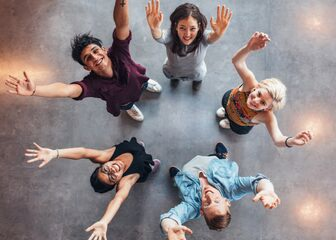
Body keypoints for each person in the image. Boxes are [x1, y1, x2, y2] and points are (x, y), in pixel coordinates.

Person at [5, 0, 162, 122]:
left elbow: (122, 24)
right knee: (125, 105)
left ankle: (146, 84)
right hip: (122, 100)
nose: (95, 57)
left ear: (105, 50)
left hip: (137, 81)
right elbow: (67, 90)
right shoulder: (91, 84)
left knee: (142, 82)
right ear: (87, 67)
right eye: (88, 58)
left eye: (95, 51)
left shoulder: (119, 51)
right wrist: (34, 91)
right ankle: (129, 107)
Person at [25, 137, 161, 240]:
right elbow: (118, 199)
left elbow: (83, 152)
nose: (112, 170)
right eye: (112, 177)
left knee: (137, 147)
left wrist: (55, 153)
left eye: (106, 170)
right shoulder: (126, 181)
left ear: (103, 163)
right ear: (118, 182)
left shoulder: (105, 156)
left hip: (131, 148)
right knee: (147, 167)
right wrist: (104, 221)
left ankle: (139, 148)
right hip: (141, 165)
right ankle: (151, 166)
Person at [160, 143, 280, 240]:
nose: (209, 196)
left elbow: (172, 217)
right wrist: (267, 189)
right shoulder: (232, 188)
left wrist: (171, 227)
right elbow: (256, 182)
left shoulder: (192, 206)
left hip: (189, 173)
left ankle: (178, 176)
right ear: (226, 201)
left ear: (201, 210)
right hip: (213, 163)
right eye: (217, 201)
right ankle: (221, 156)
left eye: (207, 204)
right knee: (214, 158)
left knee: (181, 179)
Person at [217, 32, 313, 148]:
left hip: (240, 124)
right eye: (258, 94)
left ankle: (230, 122)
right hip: (229, 100)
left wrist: (291, 141)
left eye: (263, 103)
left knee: (235, 125)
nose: (255, 100)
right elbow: (237, 61)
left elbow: (278, 139)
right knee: (226, 105)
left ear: (268, 108)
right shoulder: (250, 82)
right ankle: (226, 111)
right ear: (256, 88)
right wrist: (248, 48)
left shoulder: (267, 117)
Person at [145, 0, 232, 90]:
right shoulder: (170, 36)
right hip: (173, 71)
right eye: (182, 28)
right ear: (176, 26)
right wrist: (154, 29)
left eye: (192, 28)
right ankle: (175, 79)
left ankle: (196, 82)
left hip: (196, 73)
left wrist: (218, 34)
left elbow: (212, 38)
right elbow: (159, 37)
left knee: (197, 79)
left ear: (198, 27)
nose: (187, 34)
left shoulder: (203, 37)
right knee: (173, 78)